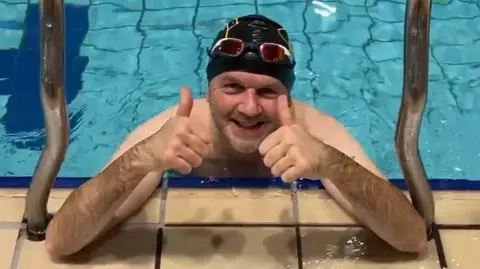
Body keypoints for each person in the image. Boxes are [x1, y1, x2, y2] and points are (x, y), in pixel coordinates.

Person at [44, 14, 427, 259]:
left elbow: (411, 239)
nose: (248, 108)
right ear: (208, 87)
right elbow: (61, 242)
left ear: (287, 96)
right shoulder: (174, 130)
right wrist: (142, 159)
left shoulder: (314, 131)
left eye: (266, 92)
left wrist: (331, 164)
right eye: (232, 87)